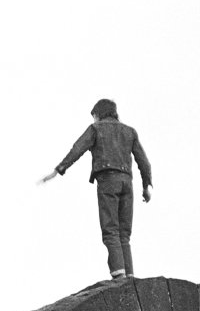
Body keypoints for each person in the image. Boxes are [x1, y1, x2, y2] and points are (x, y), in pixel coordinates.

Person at [39, 99, 153, 280]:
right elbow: (144, 162)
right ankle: (130, 275)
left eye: (94, 116)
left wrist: (59, 169)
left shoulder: (96, 129)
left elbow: (77, 148)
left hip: (108, 180)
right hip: (127, 183)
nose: (94, 120)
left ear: (98, 114)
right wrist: (147, 185)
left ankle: (119, 276)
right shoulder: (130, 132)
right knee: (124, 233)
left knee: (111, 230)